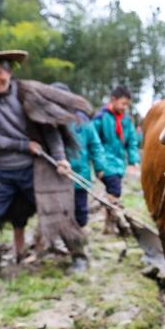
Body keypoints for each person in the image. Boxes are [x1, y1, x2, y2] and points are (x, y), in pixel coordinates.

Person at [0, 45, 91, 275]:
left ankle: (79, 257)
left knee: (60, 211)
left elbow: (51, 129)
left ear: (8, 71)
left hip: (35, 169)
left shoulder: (28, 93)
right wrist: (24, 146)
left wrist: (60, 158)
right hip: (0, 172)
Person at [50, 82, 108, 227]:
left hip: (80, 175)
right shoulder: (47, 121)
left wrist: (99, 166)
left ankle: (78, 237)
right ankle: (60, 238)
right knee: (57, 211)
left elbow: (95, 144)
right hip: (55, 175)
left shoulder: (83, 121)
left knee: (80, 212)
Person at [92, 85, 140, 233]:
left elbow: (132, 141)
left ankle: (109, 224)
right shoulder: (100, 117)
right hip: (105, 161)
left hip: (119, 163)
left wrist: (133, 159)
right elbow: (93, 142)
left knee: (113, 192)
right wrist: (99, 166)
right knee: (114, 190)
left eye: (127, 104)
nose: (125, 107)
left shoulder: (125, 120)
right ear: (113, 100)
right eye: (123, 103)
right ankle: (113, 222)